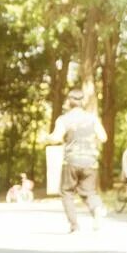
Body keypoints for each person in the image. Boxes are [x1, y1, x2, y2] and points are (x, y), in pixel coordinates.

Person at [43, 89, 108, 233]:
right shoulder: (92, 118)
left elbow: (56, 138)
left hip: (72, 160)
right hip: (91, 161)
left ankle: (74, 226)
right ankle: (97, 208)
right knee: (89, 192)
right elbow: (103, 137)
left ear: (69, 102)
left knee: (67, 192)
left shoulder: (64, 119)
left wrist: (48, 137)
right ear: (82, 101)